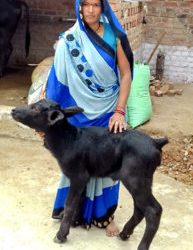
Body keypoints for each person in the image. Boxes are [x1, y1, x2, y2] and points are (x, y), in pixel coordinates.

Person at [43, 0, 133, 237]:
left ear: (103, 8)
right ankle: (71, 211)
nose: (91, 10)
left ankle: (105, 216)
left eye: (96, 4)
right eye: (86, 4)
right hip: (78, 114)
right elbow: (57, 82)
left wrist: (120, 110)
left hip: (108, 112)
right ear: (79, 7)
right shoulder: (68, 41)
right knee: (73, 163)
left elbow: (125, 75)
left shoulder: (115, 36)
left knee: (110, 162)